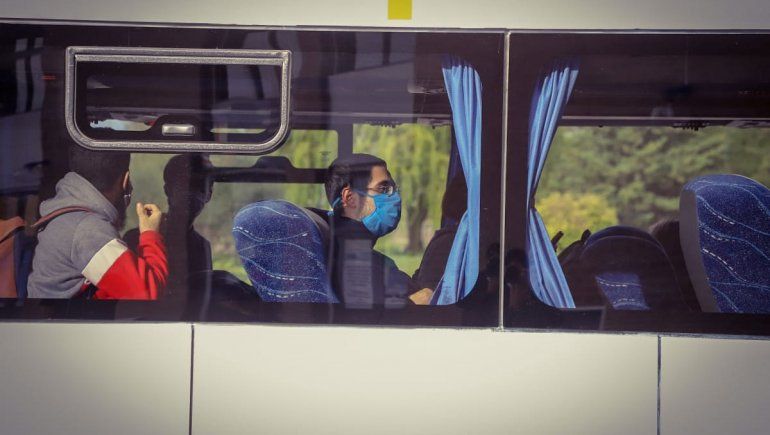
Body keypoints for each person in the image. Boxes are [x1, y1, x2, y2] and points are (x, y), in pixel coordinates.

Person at [27, 146, 167, 299]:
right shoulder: (88, 230)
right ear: (125, 180)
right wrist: (150, 234)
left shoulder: (70, 218)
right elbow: (147, 296)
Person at [321, 153, 415, 307]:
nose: (395, 197)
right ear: (349, 198)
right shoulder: (352, 261)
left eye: (394, 188)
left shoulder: (359, 252)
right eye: (384, 188)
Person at [125, 154, 213, 294]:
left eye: (199, 187)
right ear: (167, 190)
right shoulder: (138, 239)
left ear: (209, 195)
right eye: (183, 186)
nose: (190, 194)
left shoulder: (202, 246)